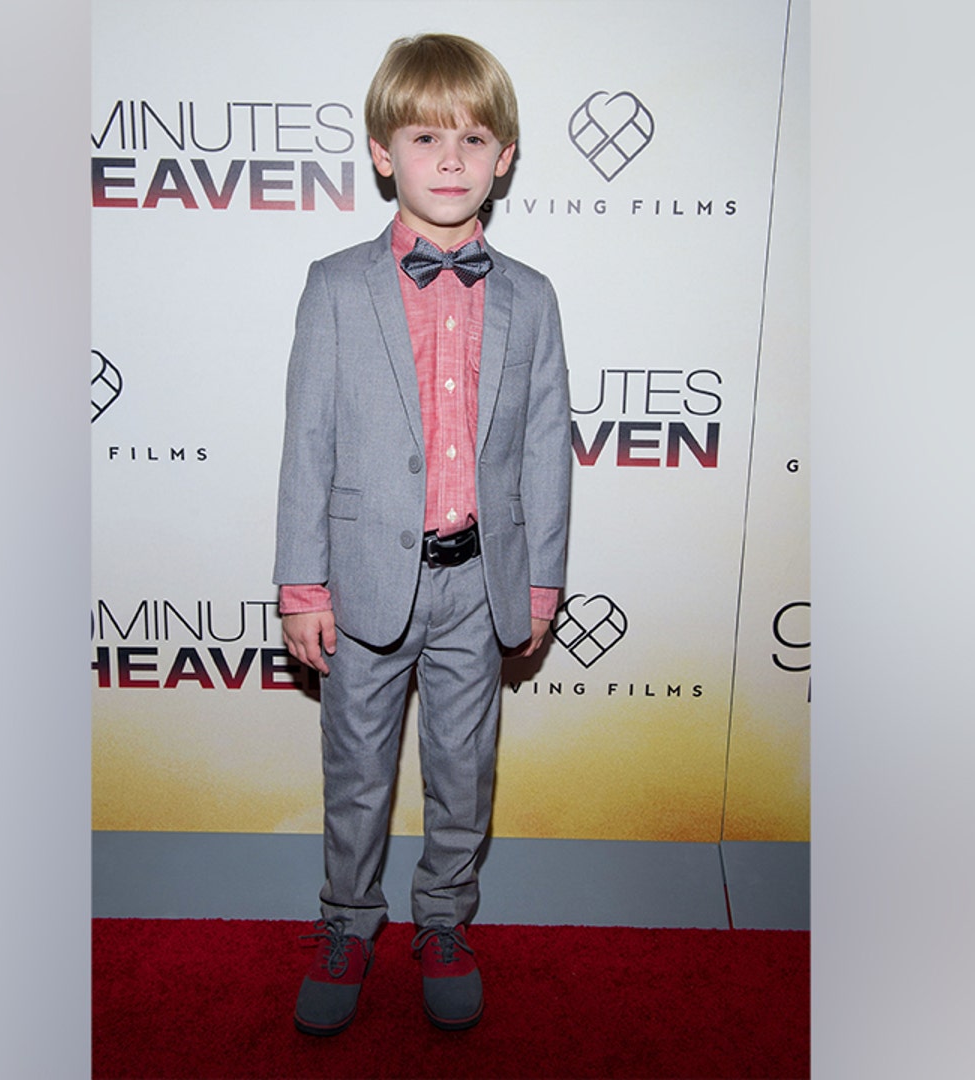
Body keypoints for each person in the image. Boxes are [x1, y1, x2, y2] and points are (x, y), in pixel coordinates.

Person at [273, 31, 571, 1036]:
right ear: (379, 152)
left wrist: (540, 584)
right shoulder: (334, 286)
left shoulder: (531, 300)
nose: (451, 158)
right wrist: (302, 585)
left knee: (464, 769)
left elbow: (541, 453)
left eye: (475, 138)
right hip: (361, 591)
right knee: (355, 773)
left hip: (477, 584)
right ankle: (347, 924)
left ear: (507, 158)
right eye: (426, 135)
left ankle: (444, 922)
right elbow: (307, 445)